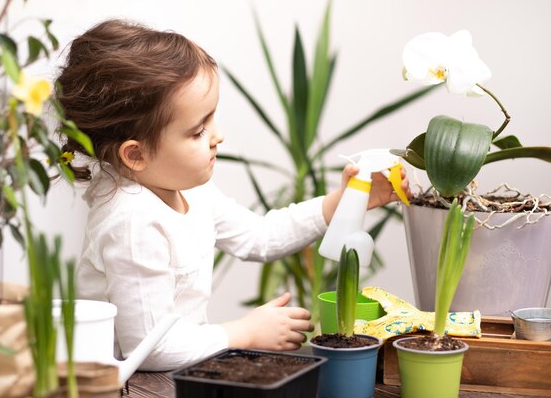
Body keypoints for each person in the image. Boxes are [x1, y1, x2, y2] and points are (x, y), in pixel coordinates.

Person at [55, 19, 411, 371]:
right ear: (135, 155)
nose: (217, 136)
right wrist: (245, 332)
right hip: (126, 386)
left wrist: (346, 200)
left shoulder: (189, 192)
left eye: (211, 120)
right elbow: (151, 350)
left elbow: (261, 237)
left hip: (176, 371)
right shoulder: (132, 222)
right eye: (197, 131)